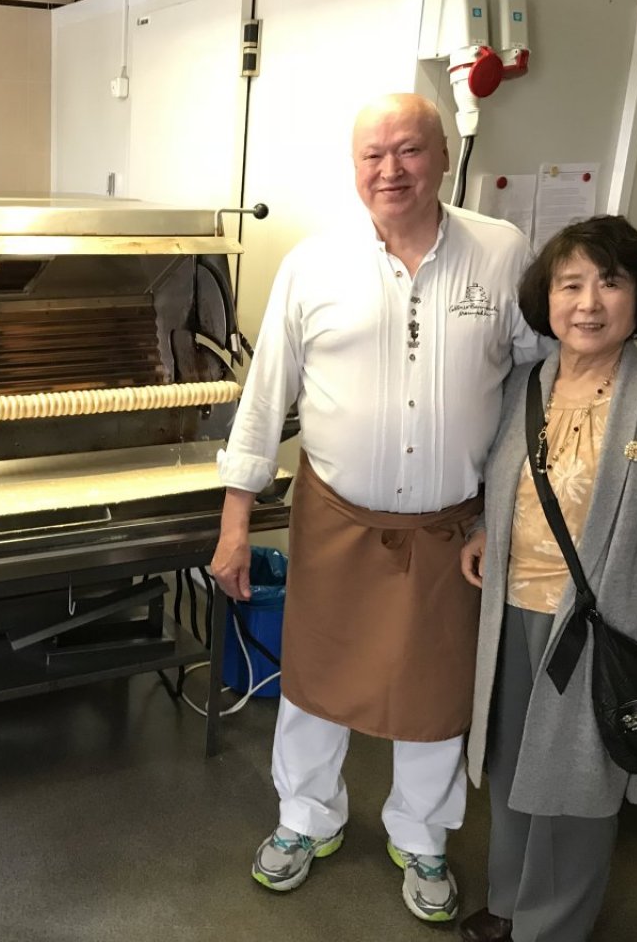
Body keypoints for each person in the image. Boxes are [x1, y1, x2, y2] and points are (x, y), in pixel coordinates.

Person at [211, 92, 549, 923]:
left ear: (440, 157)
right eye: (374, 155)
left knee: (435, 694)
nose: (390, 169)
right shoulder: (313, 263)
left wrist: (509, 511)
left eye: (409, 150)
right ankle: (304, 820)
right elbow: (263, 398)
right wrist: (233, 525)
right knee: (314, 684)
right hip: (333, 517)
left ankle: (423, 836)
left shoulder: (502, 254)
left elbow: (536, 381)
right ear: (354, 166)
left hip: (450, 528)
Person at [457, 215, 637, 942]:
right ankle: (508, 904)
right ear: (549, 297)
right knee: (511, 775)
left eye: (611, 281)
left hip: (597, 630)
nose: (589, 302)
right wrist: (486, 530)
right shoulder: (527, 384)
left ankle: (550, 928)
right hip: (510, 616)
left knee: (576, 794)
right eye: (570, 283)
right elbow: (511, 487)